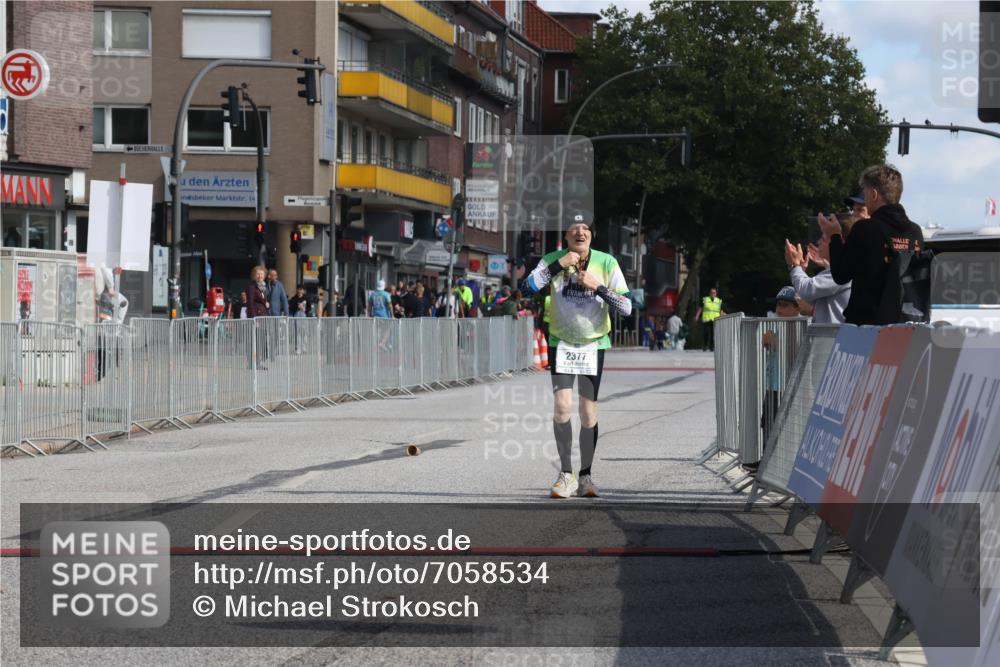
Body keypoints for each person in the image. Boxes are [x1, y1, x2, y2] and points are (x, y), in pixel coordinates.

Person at [521, 217, 632, 499]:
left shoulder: (607, 263)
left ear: (591, 235)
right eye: (574, 229)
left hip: (593, 344)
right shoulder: (552, 259)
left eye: (585, 229)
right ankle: (566, 474)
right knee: (561, 408)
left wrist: (598, 287)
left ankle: (586, 477)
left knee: (587, 412)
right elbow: (527, 288)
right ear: (566, 235)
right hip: (561, 341)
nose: (580, 232)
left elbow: (628, 307)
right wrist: (559, 265)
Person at [820, 164, 924, 325]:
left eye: (865, 192)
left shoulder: (866, 228)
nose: (865, 199)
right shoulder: (915, 232)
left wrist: (834, 235)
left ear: (874, 194)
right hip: (904, 324)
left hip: (867, 326)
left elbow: (841, 275)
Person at [745, 287, 801, 474]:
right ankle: (767, 461)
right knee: (767, 423)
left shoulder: (797, 326)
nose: (779, 310)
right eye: (778, 305)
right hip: (773, 384)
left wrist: (772, 340)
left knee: (778, 426)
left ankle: (775, 465)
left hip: (785, 386)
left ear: (796, 308)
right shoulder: (780, 325)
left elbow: (789, 351)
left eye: (784, 306)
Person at [784, 230, 851, 324]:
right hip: (833, 336)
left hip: (834, 336)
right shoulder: (841, 270)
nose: (818, 242)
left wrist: (795, 266)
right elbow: (804, 298)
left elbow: (806, 290)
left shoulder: (843, 270)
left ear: (838, 243)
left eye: (823, 239)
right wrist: (800, 270)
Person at [246, 266, 270, 369]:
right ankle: (254, 363)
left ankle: (258, 362)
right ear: (254, 275)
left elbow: (263, 301)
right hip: (257, 317)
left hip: (263, 316)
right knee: (255, 341)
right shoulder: (252, 287)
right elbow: (250, 303)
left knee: (260, 340)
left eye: (262, 274)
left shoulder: (263, 287)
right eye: (258, 274)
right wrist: (254, 318)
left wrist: (267, 304)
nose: (260, 276)